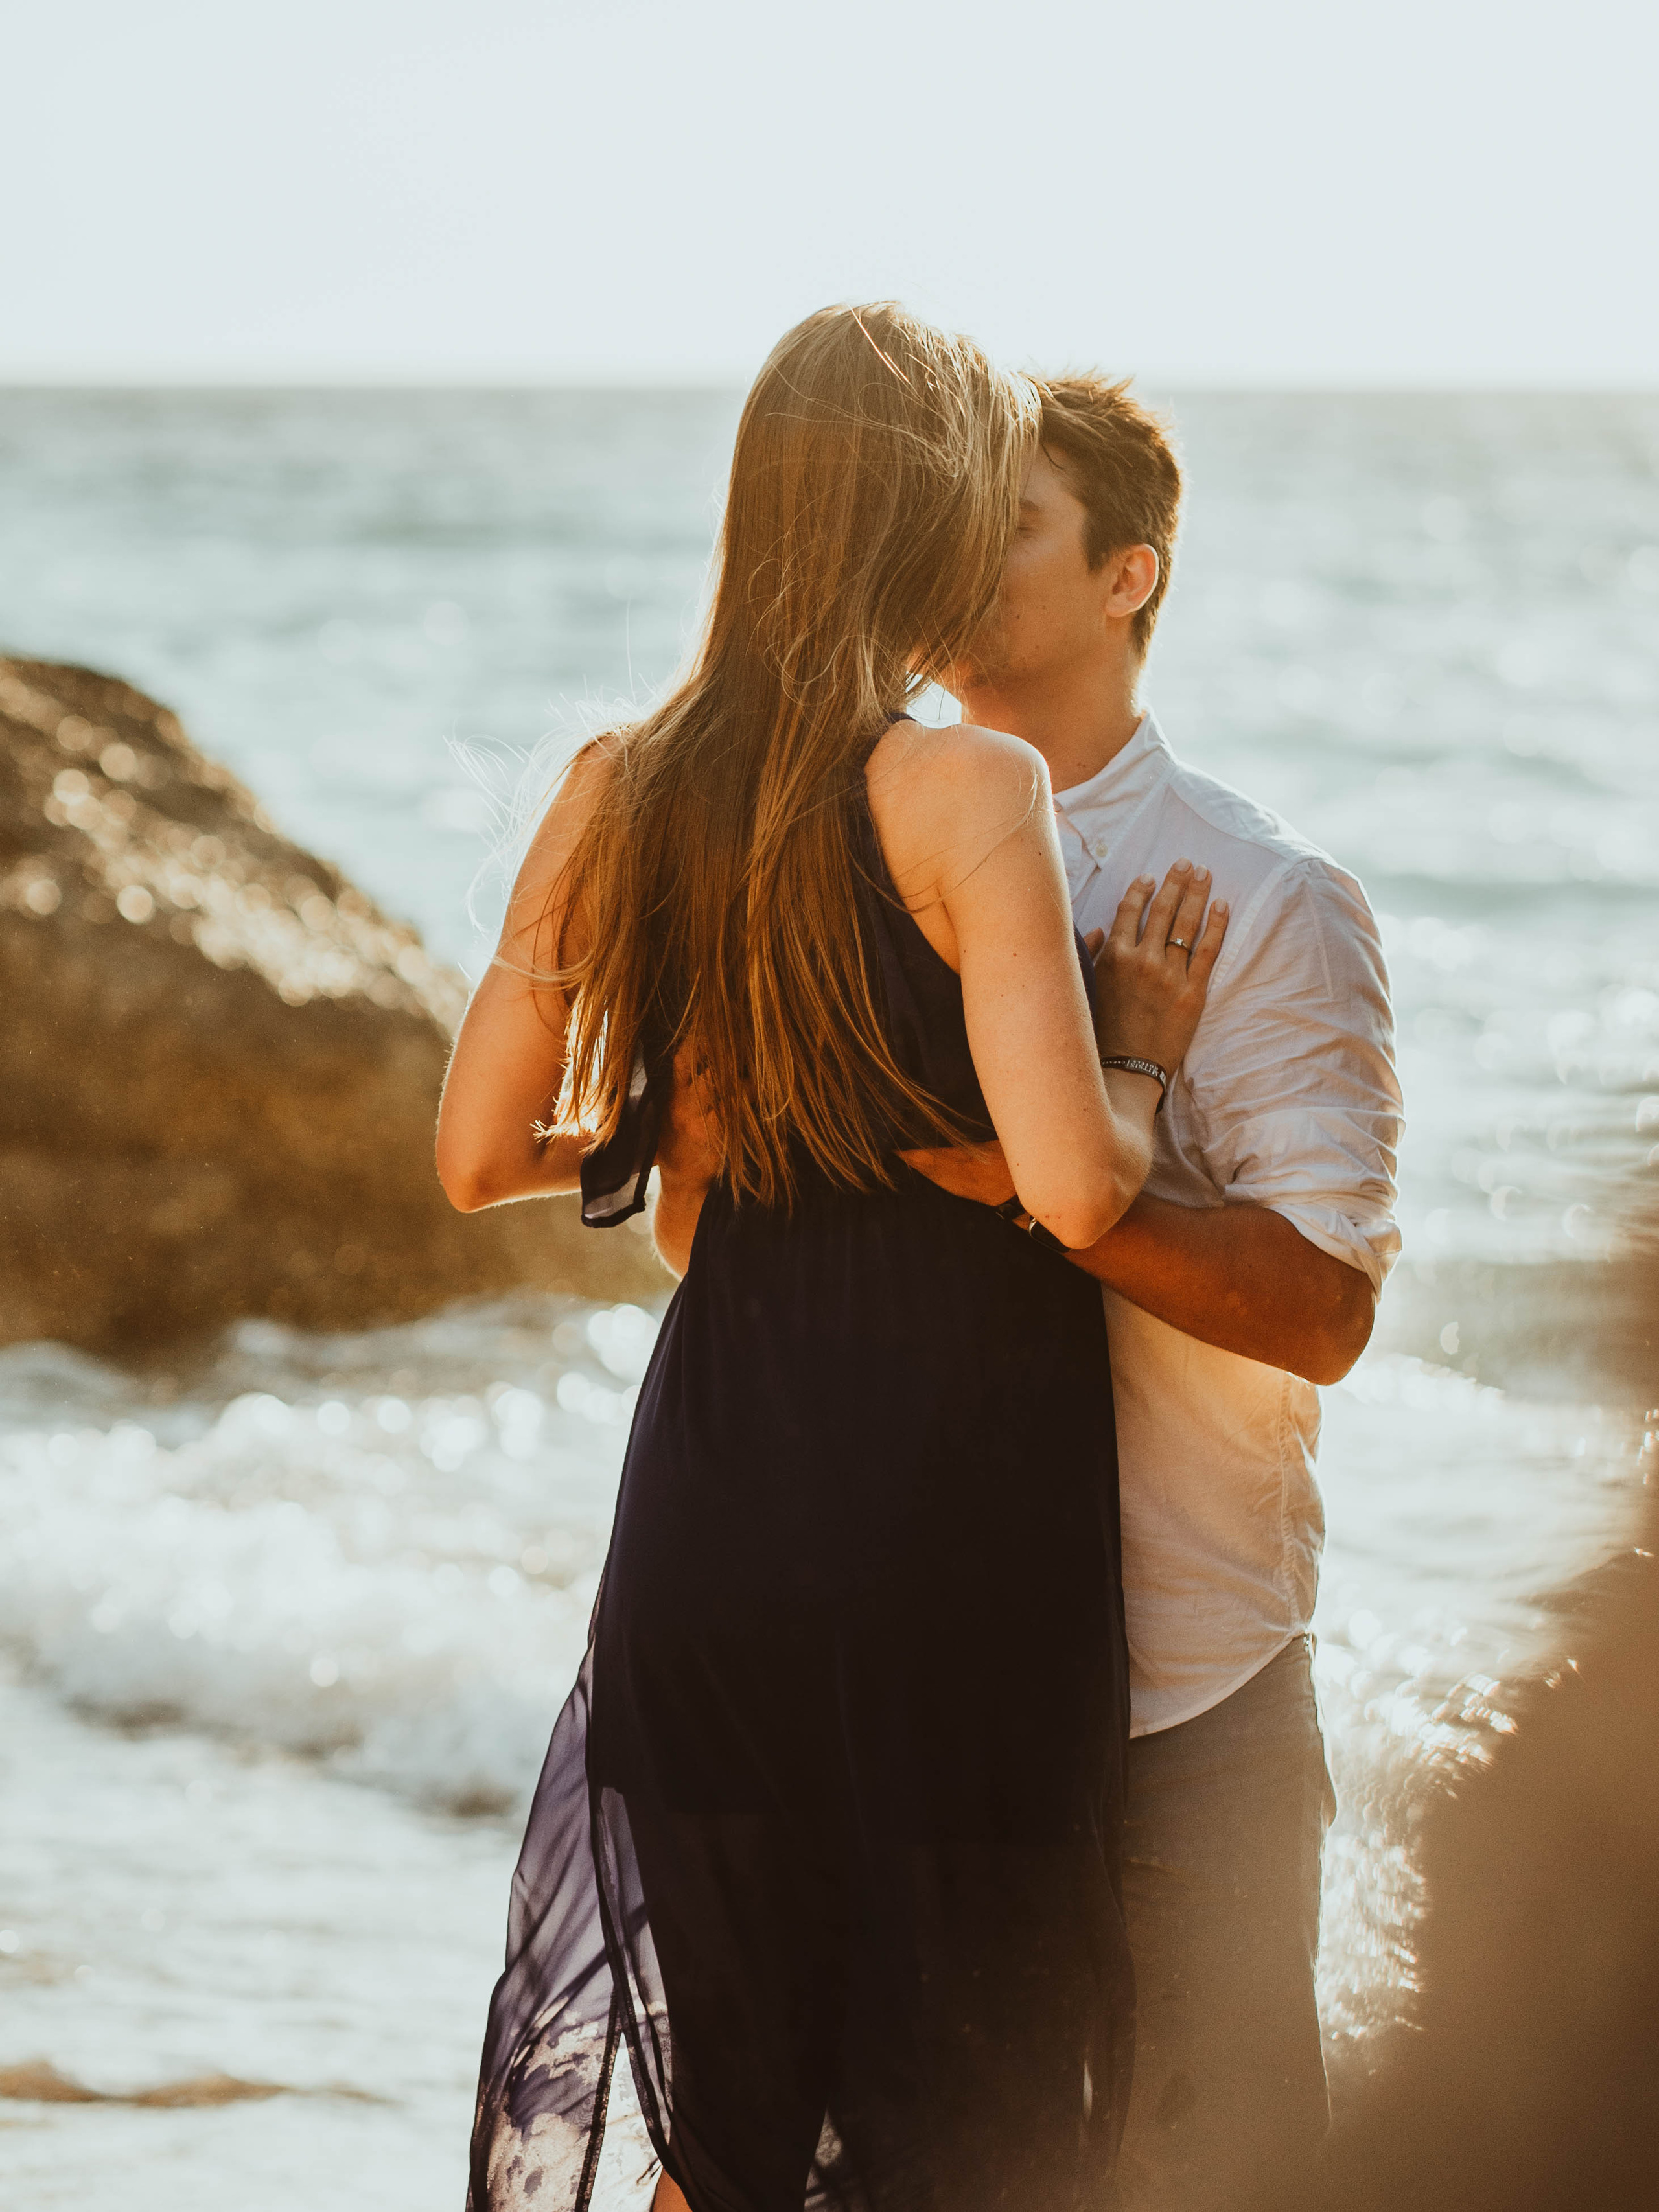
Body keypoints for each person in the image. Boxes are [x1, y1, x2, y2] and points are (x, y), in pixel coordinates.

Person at [435, 305, 1225, 2212]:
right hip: (946, 1531)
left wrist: (662, 1137)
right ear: (930, 521)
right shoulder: (969, 794)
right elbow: (1085, 1188)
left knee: (731, 2118)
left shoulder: (621, 784)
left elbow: (475, 1157)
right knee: (952, 2118)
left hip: (714, 1513)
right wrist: (1136, 1051)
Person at [896, 376, 1404, 2210]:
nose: (950, 554)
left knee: (1219, 2171)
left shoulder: (1260, 899)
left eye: (1005, 521)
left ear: (1131, 576)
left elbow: (1324, 1312)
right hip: (890, 1658)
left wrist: (1076, 1184)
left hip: (1177, 1683)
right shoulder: (850, 848)